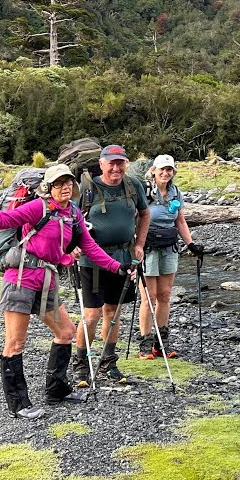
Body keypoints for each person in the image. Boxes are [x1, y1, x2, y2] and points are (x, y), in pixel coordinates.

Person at [0, 164, 133, 419]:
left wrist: (117, 267)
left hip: (47, 280)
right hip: (21, 279)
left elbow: (89, 246)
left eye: (68, 182)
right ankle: (18, 404)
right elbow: (7, 219)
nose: (65, 187)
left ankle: (57, 390)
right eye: (59, 183)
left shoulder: (73, 213)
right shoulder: (39, 207)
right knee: (15, 342)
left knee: (66, 332)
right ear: (49, 187)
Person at [69, 144, 149, 386]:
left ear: (126, 164)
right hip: (91, 260)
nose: (116, 168)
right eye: (111, 163)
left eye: (120, 163)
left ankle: (108, 362)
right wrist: (72, 244)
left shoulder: (133, 185)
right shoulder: (87, 188)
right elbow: (69, 217)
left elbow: (144, 214)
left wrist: (139, 244)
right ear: (101, 163)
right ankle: (81, 364)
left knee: (113, 313)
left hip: (123, 258)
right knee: (91, 315)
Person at [138, 154, 203, 359]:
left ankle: (161, 343)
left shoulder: (175, 192)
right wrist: (136, 246)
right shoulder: (144, 192)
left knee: (165, 295)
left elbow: (180, 221)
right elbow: (135, 218)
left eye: (169, 169)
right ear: (153, 171)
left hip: (169, 247)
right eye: (162, 169)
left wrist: (191, 244)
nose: (165, 173)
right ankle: (145, 344)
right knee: (149, 297)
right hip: (147, 247)